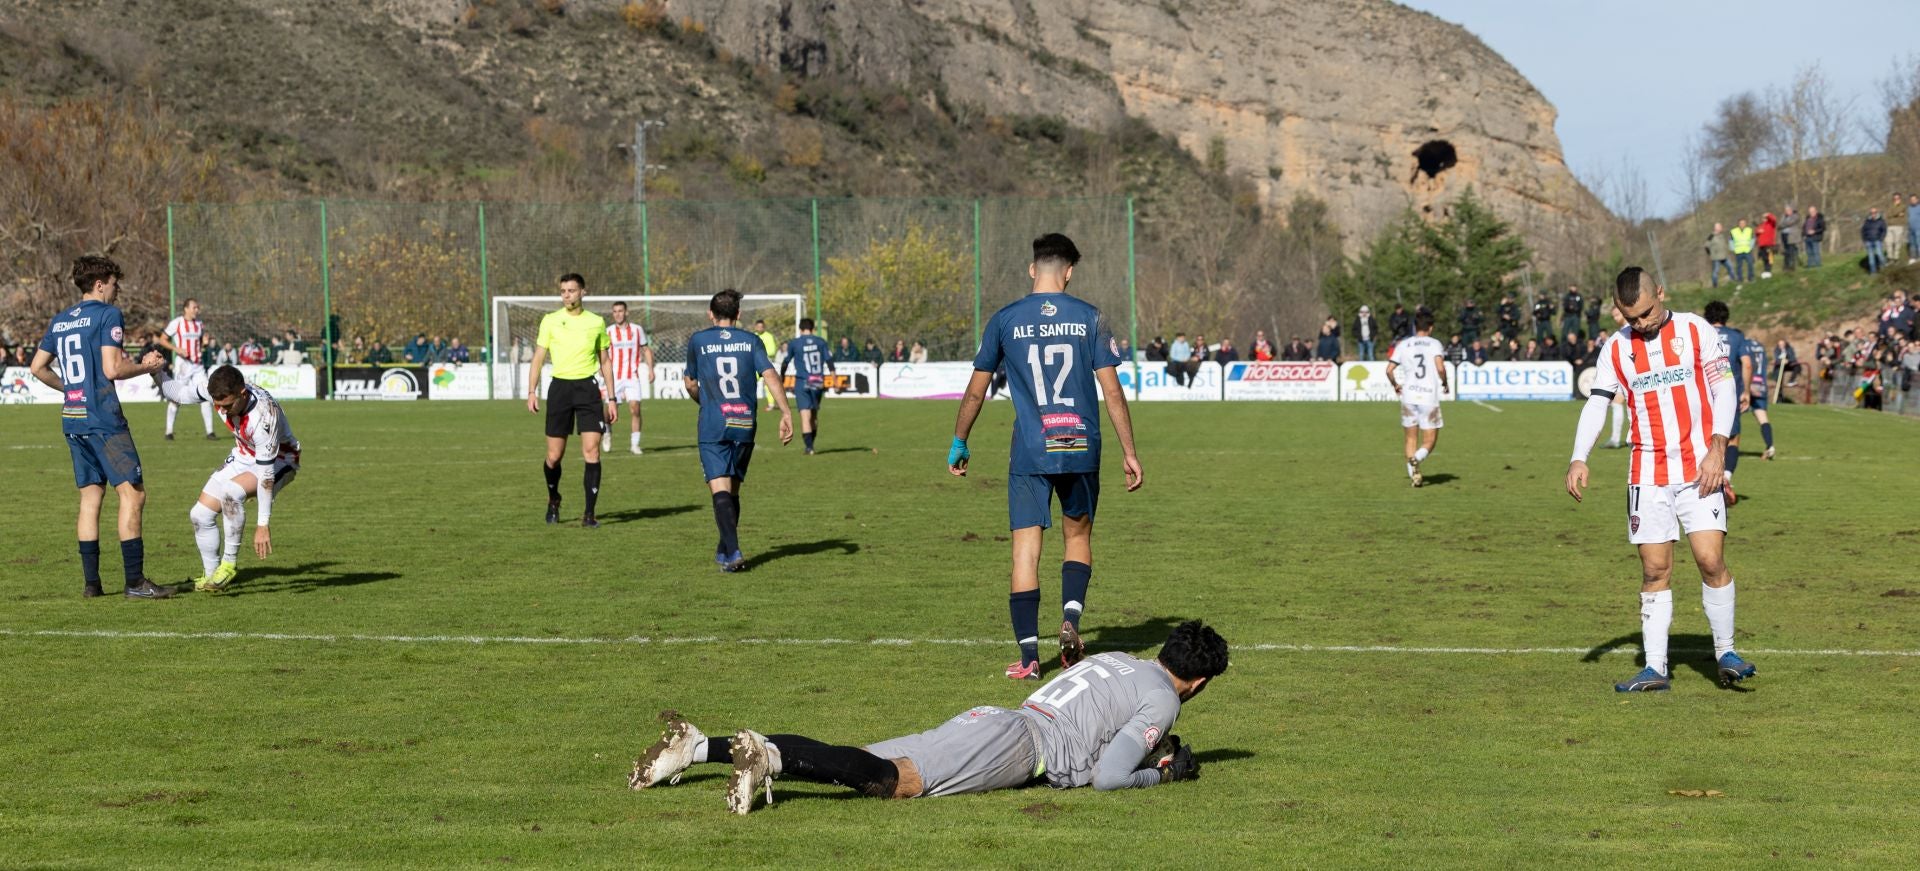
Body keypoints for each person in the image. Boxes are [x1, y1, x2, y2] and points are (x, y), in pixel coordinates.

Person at [629, 620, 1229, 814]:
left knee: (866, 764)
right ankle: (768, 754)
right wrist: (1167, 773)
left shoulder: (1122, 657)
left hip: (1002, 718)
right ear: (1197, 681)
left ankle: (698, 746)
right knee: (896, 782)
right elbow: (1110, 776)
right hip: (1020, 745)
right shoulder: (1167, 699)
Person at [948, 233, 1142, 680]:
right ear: (1069, 272)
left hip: (1031, 450)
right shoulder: (1090, 318)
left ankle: (1031, 658)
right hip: (1080, 445)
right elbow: (1112, 391)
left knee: (1024, 551)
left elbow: (977, 390)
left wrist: (960, 440)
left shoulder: (1005, 320)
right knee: (1077, 538)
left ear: (1033, 269)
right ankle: (1071, 619)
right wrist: (1129, 452)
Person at [1566, 267, 1754, 693]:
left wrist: (1718, 448)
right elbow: (1597, 405)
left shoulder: (1695, 330)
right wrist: (1579, 457)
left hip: (1697, 469)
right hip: (1647, 473)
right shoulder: (1616, 349)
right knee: (1655, 570)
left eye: (1647, 313)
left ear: (1662, 294)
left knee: (1710, 561)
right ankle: (1655, 668)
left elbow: (1724, 388)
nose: (1641, 323)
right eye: (1631, 317)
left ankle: (1725, 652)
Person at [28, 255, 174, 599]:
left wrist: (70, 389)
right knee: (133, 494)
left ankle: (92, 585)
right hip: (103, 419)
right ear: (99, 284)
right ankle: (136, 582)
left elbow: (37, 367)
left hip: (73, 417)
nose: (117, 289)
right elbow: (113, 370)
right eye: (114, 283)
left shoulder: (60, 320)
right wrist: (146, 365)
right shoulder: (108, 315)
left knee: (90, 499)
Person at [149, 364, 301, 592]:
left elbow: (266, 476)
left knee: (231, 492)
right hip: (243, 455)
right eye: (217, 405)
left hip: (280, 459)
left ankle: (228, 564)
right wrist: (156, 372)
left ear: (242, 394)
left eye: (227, 405)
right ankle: (212, 577)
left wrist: (263, 525)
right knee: (199, 515)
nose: (222, 410)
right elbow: (179, 393)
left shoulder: (264, 417)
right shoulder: (216, 390)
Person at [684, 289, 794, 572]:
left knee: (720, 488)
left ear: (710, 314)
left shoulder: (699, 340)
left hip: (713, 422)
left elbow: (690, 383)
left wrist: (703, 400)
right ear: (738, 315)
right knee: (732, 489)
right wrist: (785, 412)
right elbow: (770, 375)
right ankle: (725, 549)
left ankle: (733, 551)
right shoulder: (751, 340)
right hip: (744, 421)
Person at [526, 273, 616, 528]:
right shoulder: (550, 321)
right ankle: (554, 499)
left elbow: (605, 361)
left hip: (588, 389)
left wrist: (611, 398)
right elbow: (538, 358)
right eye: (563, 291)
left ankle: (589, 514)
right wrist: (532, 391)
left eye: (572, 290)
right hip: (560, 390)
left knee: (592, 451)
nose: (566, 295)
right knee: (554, 456)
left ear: (582, 292)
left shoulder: (596, 322)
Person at [1387, 311, 1449, 488]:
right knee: (1429, 441)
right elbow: (1440, 368)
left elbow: (1389, 370)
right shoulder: (1435, 344)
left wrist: (1395, 385)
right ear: (1431, 327)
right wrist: (1445, 383)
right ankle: (1416, 459)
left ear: (1415, 326)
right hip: (1428, 397)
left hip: (1408, 397)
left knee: (1410, 439)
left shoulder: (1404, 344)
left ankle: (1414, 475)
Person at [158, 298, 217, 441]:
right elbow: (162, 339)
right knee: (176, 397)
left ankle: (210, 432)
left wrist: (204, 344)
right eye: (194, 307)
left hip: (197, 366)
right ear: (186, 309)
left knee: (205, 395)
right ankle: (169, 431)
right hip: (183, 365)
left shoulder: (199, 324)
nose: (197, 310)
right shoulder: (177, 323)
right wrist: (176, 348)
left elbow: (201, 345)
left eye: (197, 307)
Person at [605, 301, 655, 456]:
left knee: (635, 408)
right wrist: (601, 369)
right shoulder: (608, 331)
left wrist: (650, 369)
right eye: (615, 311)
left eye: (620, 311)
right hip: (613, 377)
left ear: (626, 312)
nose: (618, 314)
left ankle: (635, 444)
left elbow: (646, 349)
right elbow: (602, 353)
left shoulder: (637, 330)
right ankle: (607, 432)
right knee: (609, 412)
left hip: (632, 376)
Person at [780, 318, 835, 455]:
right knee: (814, 416)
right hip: (817, 381)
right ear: (813, 329)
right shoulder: (820, 342)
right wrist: (834, 377)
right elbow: (829, 361)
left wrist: (782, 377)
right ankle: (811, 444)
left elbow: (786, 362)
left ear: (800, 329)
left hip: (802, 381)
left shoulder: (794, 343)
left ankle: (809, 447)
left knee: (805, 415)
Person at [752, 320, 780, 410]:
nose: (760, 328)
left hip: (765, 363)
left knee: (768, 384)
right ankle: (747, 403)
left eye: (761, 327)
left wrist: (759, 354)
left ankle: (771, 404)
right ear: (755, 327)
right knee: (749, 383)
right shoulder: (752, 336)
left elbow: (772, 351)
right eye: (758, 326)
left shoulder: (769, 336)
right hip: (754, 364)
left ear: (764, 327)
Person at [1729, 218, 1756, 284]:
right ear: (1738, 224)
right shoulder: (1733, 231)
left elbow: (1753, 239)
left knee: (1750, 264)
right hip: (1738, 251)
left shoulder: (1749, 230)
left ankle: (1750, 278)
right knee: (1739, 266)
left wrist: (1751, 247)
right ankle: (1740, 279)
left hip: (1747, 250)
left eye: (1743, 223)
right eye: (1741, 223)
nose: (1742, 224)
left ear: (1746, 224)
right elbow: (1731, 241)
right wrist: (1733, 249)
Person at [1862, 208, 1888, 275]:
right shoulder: (1867, 221)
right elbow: (1863, 231)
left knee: (1880, 255)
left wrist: (1881, 239)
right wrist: (1865, 239)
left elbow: (1884, 230)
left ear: (1877, 213)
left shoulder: (1881, 221)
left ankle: (1884, 267)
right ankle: (1873, 272)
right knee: (1871, 258)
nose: (1873, 214)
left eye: (1874, 212)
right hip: (1869, 241)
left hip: (1877, 241)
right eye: (1872, 213)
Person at [1755, 212, 1778, 277]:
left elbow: (1774, 219)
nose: (1764, 219)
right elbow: (1756, 231)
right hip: (1762, 245)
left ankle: (1769, 270)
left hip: (1769, 244)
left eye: (1765, 218)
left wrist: (1768, 214)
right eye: (1763, 218)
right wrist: (1758, 231)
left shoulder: (1771, 224)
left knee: (1770, 258)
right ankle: (1765, 270)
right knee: (1764, 258)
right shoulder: (1761, 225)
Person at [1779, 206, 1801, 271]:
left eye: (1788, 210)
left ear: (1791, 211)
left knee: (1791, 250)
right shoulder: (1783, 217)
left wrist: (1783, 225)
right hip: (1784, 234)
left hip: (1791, 235)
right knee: (1786, 251)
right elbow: (1779, 224)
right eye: (1786, 210)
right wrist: (1783, 225)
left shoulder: (1795, 216)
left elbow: (1790, 223)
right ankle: (1786, 265)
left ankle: (1791, 265)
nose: (1787, 212)